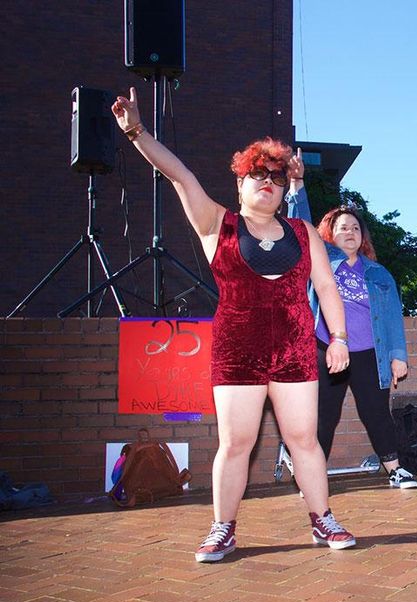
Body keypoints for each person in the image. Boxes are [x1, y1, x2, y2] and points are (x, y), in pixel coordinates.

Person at [111, 88, 356, 562]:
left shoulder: (304, 232)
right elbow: (180, 175)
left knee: (304, 440)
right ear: (241, 182)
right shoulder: (216, 223)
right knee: (236, 443)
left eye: (277, 177)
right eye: (258, 174)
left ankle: (322, 518)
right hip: (237, 352)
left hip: (295, 351)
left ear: (284, 190)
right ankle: (223, 528)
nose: (268, 182)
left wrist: (339, 338)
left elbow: (327, 288)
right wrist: (136, 131)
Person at [285, 164, 417, 489]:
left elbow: (392, 318)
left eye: (355, 228)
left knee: (376, 413)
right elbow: (299, 227)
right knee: (324, 415)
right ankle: (310, 477)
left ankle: (395, 470)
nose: (350, 232)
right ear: (330, 233)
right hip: (326, 348)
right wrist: (297, 186)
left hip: (369, 352)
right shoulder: (321, 260)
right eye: (343, 227)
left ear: (363, 236)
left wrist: (398, 355)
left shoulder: (379, 274)